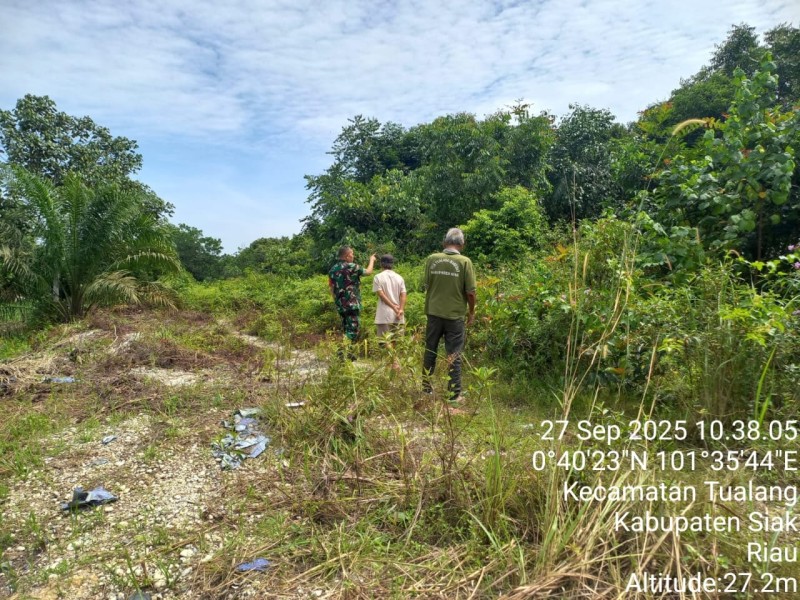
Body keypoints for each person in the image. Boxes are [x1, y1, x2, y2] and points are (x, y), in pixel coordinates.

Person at [422, 228, 476, 403]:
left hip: (433, 313)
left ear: (444, 242)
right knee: (454, 354)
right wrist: (472, 312)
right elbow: (471, 292)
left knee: (430, 350)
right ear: (462, 244)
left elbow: (427, 285)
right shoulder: (465, 262)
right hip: (454, 316)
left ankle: (426, 389)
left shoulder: (432, 259)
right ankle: (454, 394)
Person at [329, 246, 377, 356]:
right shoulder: (352, 266)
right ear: (347, 256)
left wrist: (337, 301)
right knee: (353, 328)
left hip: (340, 304)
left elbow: (331, 288)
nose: (353, 256)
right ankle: (342, 352)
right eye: (352, 254)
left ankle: (349, 354)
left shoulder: (332, 270)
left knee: (346, 327)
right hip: (351, 303)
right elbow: (368, 272)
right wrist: (372, 260)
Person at [372, 254, 406, 367]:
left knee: (385, 340)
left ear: (381, 264)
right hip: (398, 314)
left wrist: (392, 306)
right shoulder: (399, 277)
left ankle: (394, 362)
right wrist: (400, 309)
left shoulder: (378, 277)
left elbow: (381, 294)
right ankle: (392, 363)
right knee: (394, 340)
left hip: (384, 314)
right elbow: (403, 294)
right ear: (392, 264)